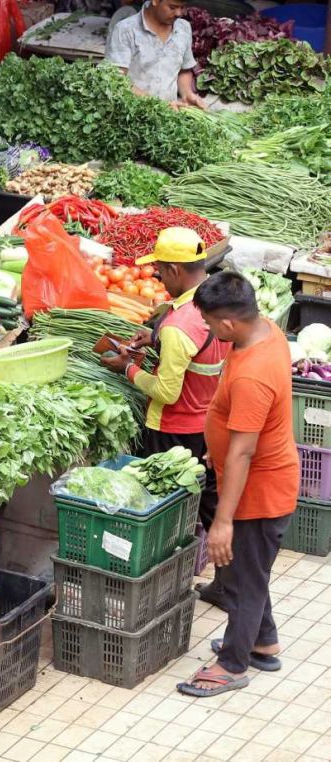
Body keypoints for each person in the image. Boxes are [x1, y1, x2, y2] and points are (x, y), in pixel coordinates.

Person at [177, 272, 298, 698]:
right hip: (256, 479)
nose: (208, 330)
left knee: (244, 582)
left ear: (227, 324)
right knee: (250, 572)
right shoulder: (265, 332)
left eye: (209, 323)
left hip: (259, 492)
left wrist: (223, 522)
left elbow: (244, 452)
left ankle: (233, 664)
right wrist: (217, 443)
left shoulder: (253, 375)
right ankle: (263, 642)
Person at [100, 227, 229, 606]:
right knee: (208, 501)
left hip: (174, 429)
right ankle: (225, 581)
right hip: (206, 421)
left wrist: (126, 370)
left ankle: (152, 584)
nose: (156, 275)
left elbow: (166, 392)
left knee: (160, 506)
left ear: (174, 270)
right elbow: (196, 347)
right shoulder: (214, 301)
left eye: (158, 270)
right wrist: (152, 336)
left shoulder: (177, 326)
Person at [105, 0, 207, 109]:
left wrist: (187, 93)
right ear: (155, 1)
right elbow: (116, 80)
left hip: (171, 114)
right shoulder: (125, 30)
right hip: (132, 113)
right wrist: (158, 104)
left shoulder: (183, 28)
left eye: (182, 7)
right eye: (172, 7)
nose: (179, 13)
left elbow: (184, 69)